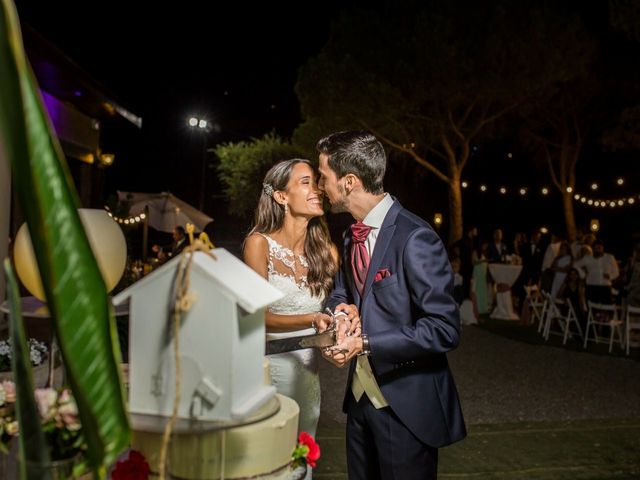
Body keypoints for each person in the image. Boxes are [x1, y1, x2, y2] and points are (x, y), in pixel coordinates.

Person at [316, 131, 466, 480]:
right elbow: (343, 293)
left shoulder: (415, 237)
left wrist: (364, 343)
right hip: (359, 402)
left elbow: (444, 329)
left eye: (324, 176)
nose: (321, 185)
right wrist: (340, 315)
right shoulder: (350, 234)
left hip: (406, 406)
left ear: (349, 181)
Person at [242, 159, 348, 478]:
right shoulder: (258, 244)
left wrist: (338, 327)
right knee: (267, 464)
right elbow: (258, 317)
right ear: (281, 197)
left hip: (307, 374)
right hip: (267, 372)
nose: (316, 188)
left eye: (316, 181)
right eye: (305, 182)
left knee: (300, 462)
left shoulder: (326, 252)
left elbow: (339, 304)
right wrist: (313, 318)